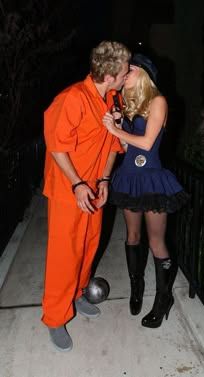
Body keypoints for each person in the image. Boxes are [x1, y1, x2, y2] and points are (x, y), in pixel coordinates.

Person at [42, 40, 131, 351]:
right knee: (64, 254)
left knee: (88, 247)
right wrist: (78, 184)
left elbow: (110, 144)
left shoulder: (111, 99)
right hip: (69, 190)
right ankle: (55, 316)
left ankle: (78, 293)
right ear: (110, 74)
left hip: (93, 188)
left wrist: (104, 179)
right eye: (125, 70)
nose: (128, 74)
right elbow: (57, 147)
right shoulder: (71, 99)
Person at [103, 53, 189, 328]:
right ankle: (136, 288)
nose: (124, 75)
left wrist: (116, 131)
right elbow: (129, 149)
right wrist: (117, 125)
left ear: (144, 73)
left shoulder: (158, 101)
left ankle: (163, 299)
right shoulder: (128, 107)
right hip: (129, 178)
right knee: (132, 236)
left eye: (129, 70)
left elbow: (149, 142)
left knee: (155, 241)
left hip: (152, 179)